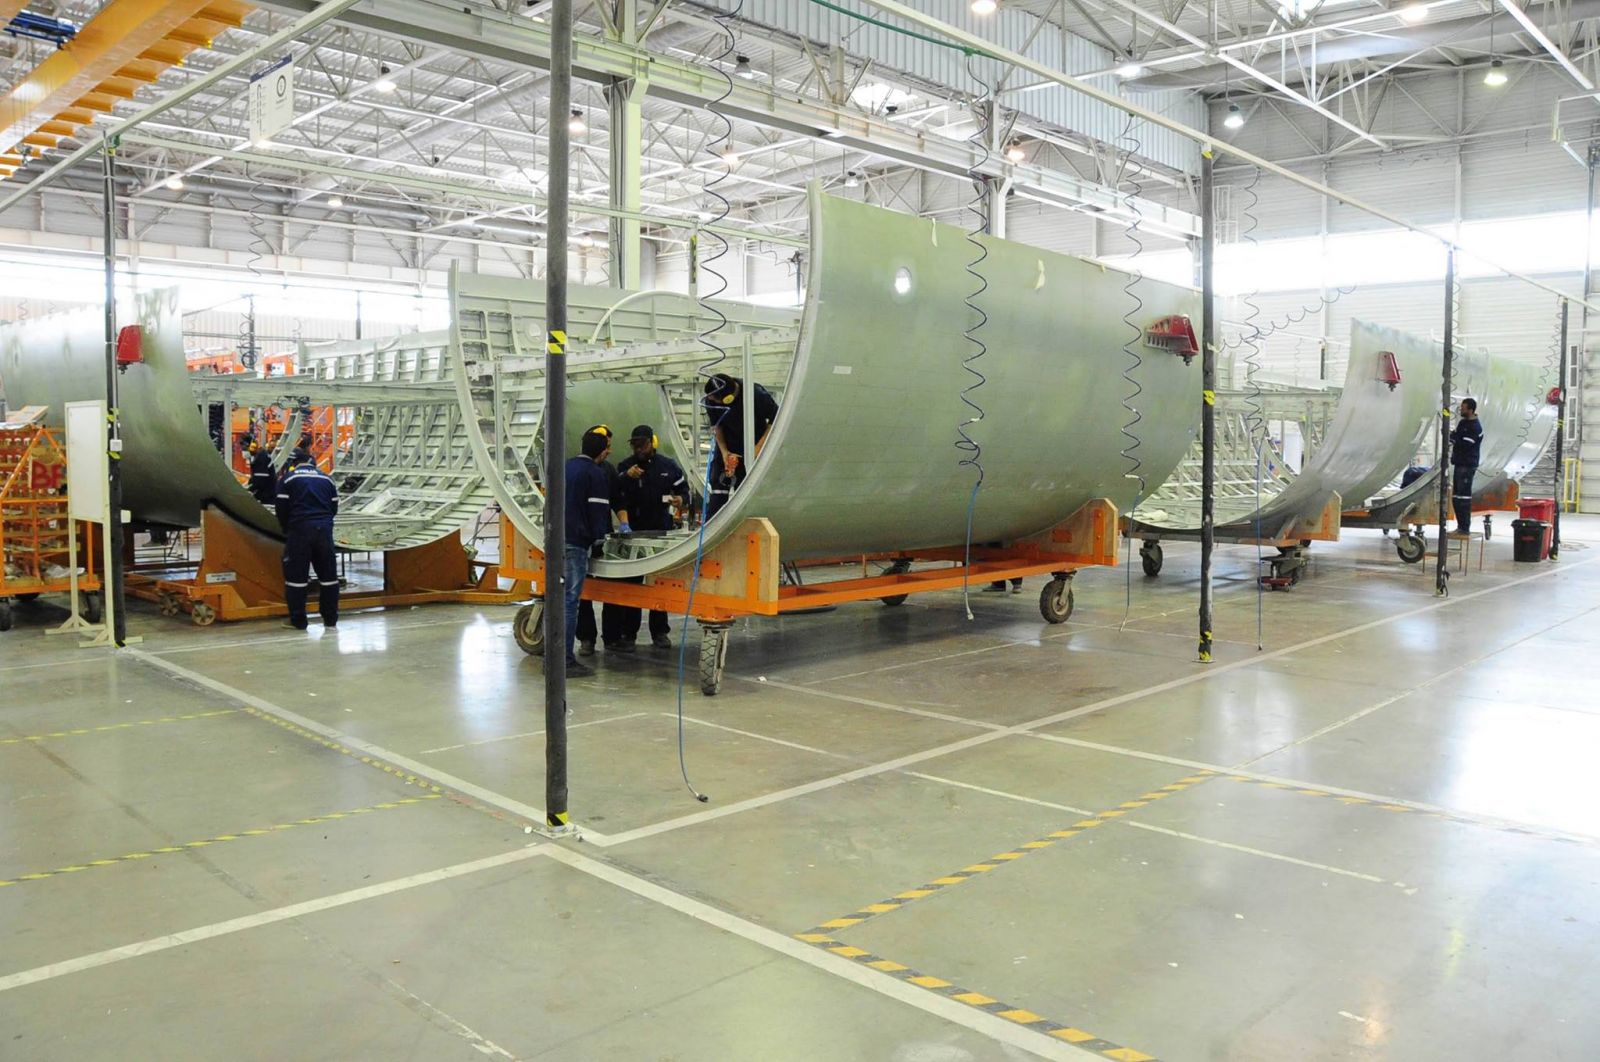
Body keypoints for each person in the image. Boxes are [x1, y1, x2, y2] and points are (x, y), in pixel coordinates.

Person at [612, 424, 689, 649]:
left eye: (642, 445)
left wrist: (681, 500)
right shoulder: (625, 466)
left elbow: (683, 490)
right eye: (635, 445)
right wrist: (626, 476)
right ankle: (629, 633)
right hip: (634, 532)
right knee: (632, 583)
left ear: (651, 443)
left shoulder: (668, 466)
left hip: (660, 531)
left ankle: (660, 631)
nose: (638, 449)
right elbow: (614, 491)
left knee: (659, 583)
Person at [572, 424, 630, 657]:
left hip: (602, 536)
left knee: (612, 586)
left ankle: (612, 637)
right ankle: (586, 638)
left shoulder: (607, 470)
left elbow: (618, 499)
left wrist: (624, 523)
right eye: (606, 446)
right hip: (583, 537)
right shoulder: (582, 471)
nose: (609, 450)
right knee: (582, 591)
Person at [562, 429, 615, 675]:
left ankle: (553, 656)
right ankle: (564, 661)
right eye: (607, 448)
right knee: (570, 602)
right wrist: (599, 541)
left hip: (555, 540)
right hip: (576, 543)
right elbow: (598, 512)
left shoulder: (565, 467)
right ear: (602, 452)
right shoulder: (595, 473)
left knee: (559, 599)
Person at [274, 435, 340, 631]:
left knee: (296, 578)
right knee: (329, 577)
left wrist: (287, 528)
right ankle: (330, 619)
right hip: (324, 532)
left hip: (300, 531)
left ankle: (299, 620)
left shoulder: (289, 479)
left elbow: (281, 509)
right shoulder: (327, 480)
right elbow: (334, 507)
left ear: (294, 463)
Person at [702, 373, 778, 518]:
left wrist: (759, 446)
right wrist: (724, 452)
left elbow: (775, 419)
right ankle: (712, 525)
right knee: (718, 489)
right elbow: (717, 427)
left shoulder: (756, 394)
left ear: (728, 398)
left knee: (744, 491)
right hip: (727, 444)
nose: (710, 401)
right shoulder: (711, 399)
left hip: (753, 446)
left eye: (714, 399)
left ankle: (742, 524)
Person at [1450, 397, 1483, 535]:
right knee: (1456, 497)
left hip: (1467, 466)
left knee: (1463, 497)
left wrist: (1453, 439)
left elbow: (1465, 445)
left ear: (1471, 410)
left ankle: (1464, 527)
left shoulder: (1475, 427)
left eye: (1463, 408)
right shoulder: (1463, 423)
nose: (1461, 410)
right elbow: (1457, 438)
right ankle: (1460, 526)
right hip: (1459, 463)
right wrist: (1453, 436)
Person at [243, 437, 276, 506]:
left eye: (245, 449)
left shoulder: (261, 457)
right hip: (265, 493)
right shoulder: (259, 456)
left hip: (267, 496)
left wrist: (250, 489)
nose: (244, 452)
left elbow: (260, 479)